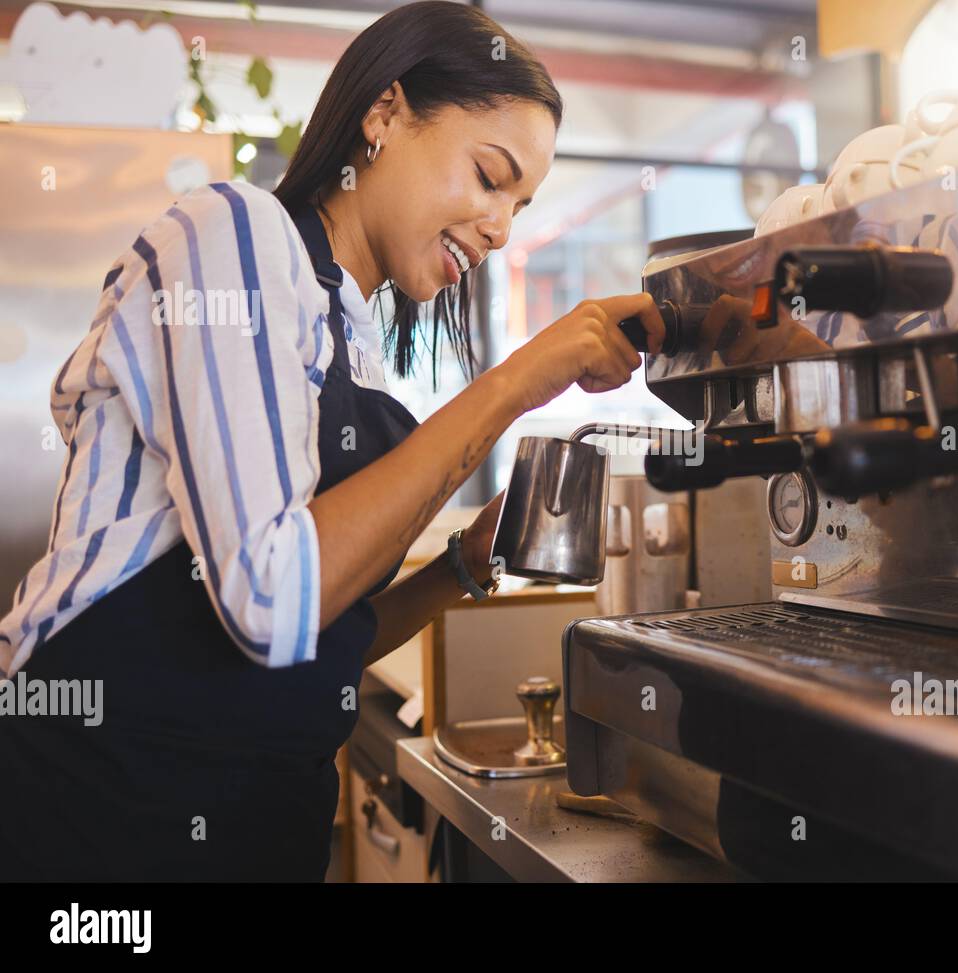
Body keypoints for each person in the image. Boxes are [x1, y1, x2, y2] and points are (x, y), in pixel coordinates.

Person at [0, 0, 663, 881]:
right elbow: (270, 602)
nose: (503, 226)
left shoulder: (348, 343)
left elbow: (320, 636)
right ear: (383, 115)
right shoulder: (230, 235)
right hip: (103, 799)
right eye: (491, 175)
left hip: (258, 819)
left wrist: (460, 566)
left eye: (523, 203)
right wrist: (517, 383)